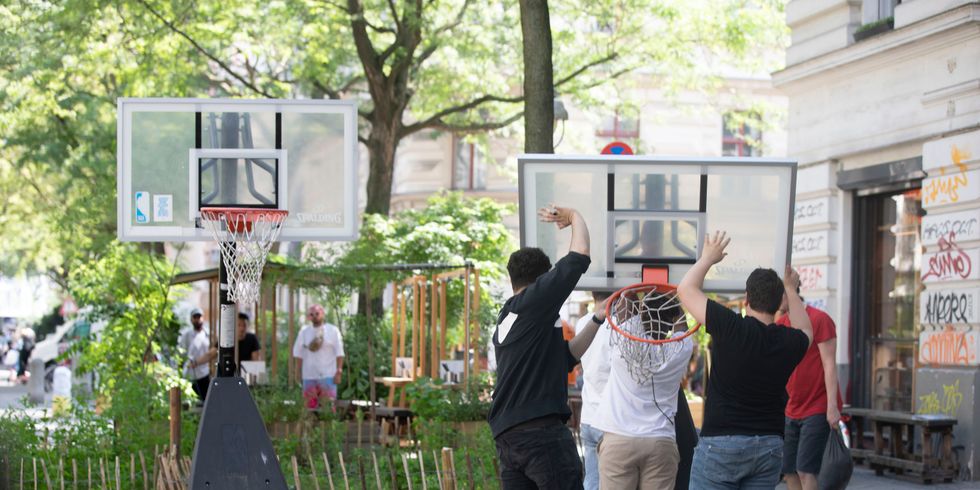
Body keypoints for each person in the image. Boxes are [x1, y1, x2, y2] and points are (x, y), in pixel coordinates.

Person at [677, 231, 813, 489]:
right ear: (779, 304)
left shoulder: (730, 325)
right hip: (769, 445)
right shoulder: (788, 341)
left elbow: (685, 290)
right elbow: (806, 329)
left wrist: (708, 259)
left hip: (722, 442)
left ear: (747, 298)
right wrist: (791, 289)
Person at [488, 205, 605, 490]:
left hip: (510, 437)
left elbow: (566, 357)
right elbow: (579, 257)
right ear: (543, 280)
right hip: (540, 434)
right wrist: (574, 216)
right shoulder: (534, 302)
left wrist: (597, 319)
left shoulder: (509, 317)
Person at [593, 292, 694, 489]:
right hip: (661, 441)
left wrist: (639, 287)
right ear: (670, 323)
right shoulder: (680, 350)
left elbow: (627, 298)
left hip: (619, 438)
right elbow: (682, 326)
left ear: (642, 315)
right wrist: (674, 306)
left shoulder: (625, 343)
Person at [778, 291, 843, 490]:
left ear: (789, 293)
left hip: (817, 406)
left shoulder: (820, 319)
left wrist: (832, 407)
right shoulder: (781, 324)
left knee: (805, 470)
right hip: (792, 407)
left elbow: (829, 364)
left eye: (777, 293)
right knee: (789, 470)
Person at [573, 292, 612, 490]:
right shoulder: (619, 326)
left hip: (588, 416)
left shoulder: (582, 323)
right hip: (612, 421)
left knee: (591, 482)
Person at [292, 304, 345, 409]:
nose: (315, 316)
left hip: (328, 376)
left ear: (323, 314)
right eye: (312, 314)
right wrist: (297, 372)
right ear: (308, 317)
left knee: (328, 409)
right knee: (309, 409)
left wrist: (339, 371)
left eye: (317, 313)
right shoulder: (304, 332)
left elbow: (339, 352)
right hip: (309, 376)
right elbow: (298, 353)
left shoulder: (332, 330)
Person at [182, 308, 212, 402]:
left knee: (206, 400)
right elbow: (182, 353)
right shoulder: (186, 335)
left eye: (199, 317)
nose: (197, 319)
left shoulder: (208, 334)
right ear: (191, 319)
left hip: (204, 373)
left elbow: (212, 353)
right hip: (190, 374)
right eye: (195, 317)